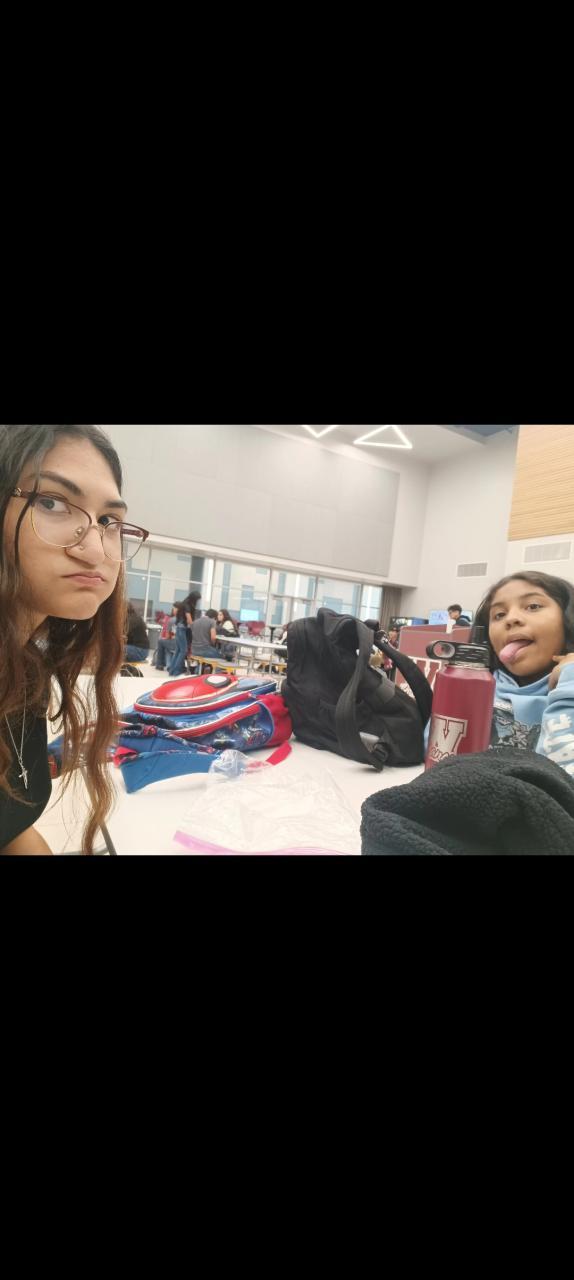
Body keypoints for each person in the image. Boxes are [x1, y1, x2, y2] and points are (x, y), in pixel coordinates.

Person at [0, 423, 148, 855]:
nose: (96, 550)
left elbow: (12, 827)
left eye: (108, 521)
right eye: (52, 502)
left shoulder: (27, 673)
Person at [469, 571, 574, 773]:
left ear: (567, 619)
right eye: (499, 615)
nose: (511, 619)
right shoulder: (473, 689)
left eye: (533, 606)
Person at [167, 605, 190, 677]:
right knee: (183, 651)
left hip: (176, 634)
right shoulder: (181, 618)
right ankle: (176, 671)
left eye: (174, 608)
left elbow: (170, 633)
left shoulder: (176, 618)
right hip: (180, 633)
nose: (173, 610)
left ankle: (171, 670)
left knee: (177, 651)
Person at [154, 605, 178, 671]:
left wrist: (167, 637)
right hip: (183, 644)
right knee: (167, 645)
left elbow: (167, 635)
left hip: (175, 642)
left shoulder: (171, 620)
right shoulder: (184, 620)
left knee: (161, 642)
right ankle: (169, 665)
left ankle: (160, 665)